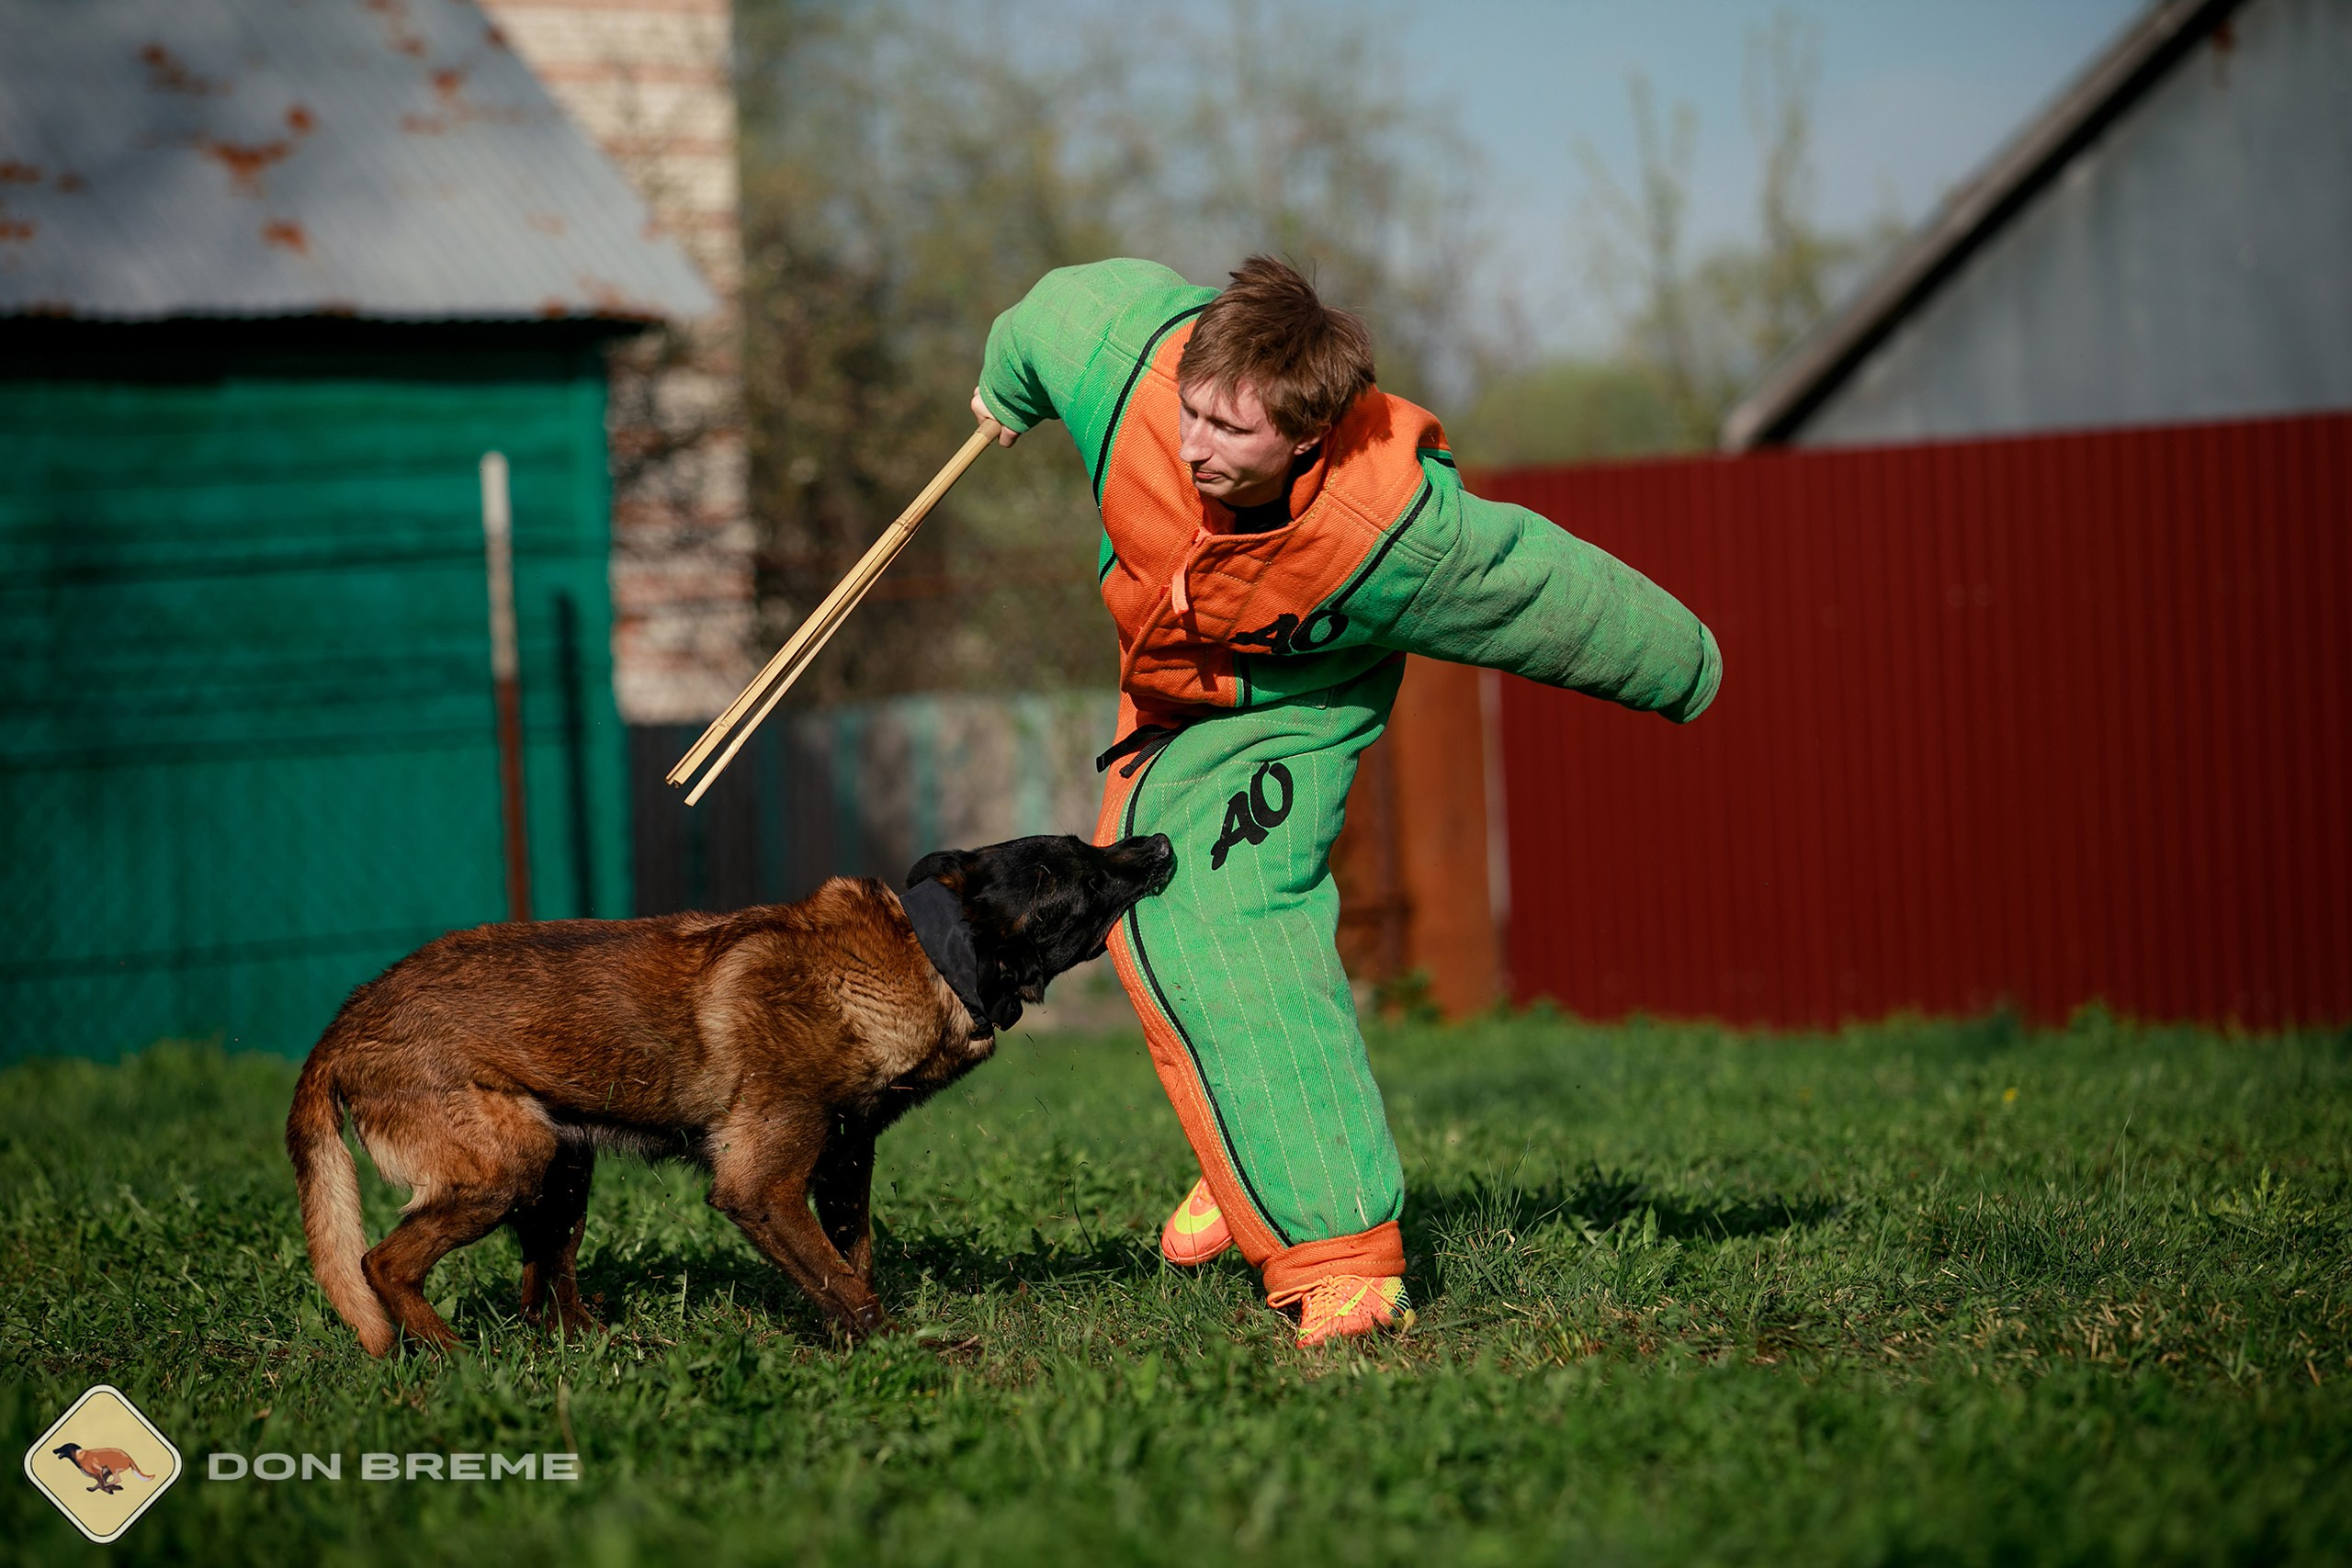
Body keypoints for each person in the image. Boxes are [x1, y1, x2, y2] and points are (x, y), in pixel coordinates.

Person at [970, 255, 1721, 1346]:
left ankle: (1344, 1263)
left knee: (1224, 918)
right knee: (1148, 926)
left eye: (1230, 432)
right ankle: (1254, 1148)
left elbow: (1540, 587)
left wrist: (1686, 667)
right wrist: (1005, 389)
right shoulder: (1133, 367)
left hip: (1293, 710)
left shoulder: (1394, 530)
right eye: (1191, 413)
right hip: (1168, 704)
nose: (1192, 446)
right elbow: (1054, 315)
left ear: (1305, 436)